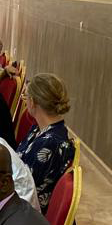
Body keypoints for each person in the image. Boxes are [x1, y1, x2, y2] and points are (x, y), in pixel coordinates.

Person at [17, 74, 76, 212]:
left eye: (26, 97)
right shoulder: (40, 129)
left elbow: (26, 191)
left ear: (33, 102)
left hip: (28, 213)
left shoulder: (49, 143)